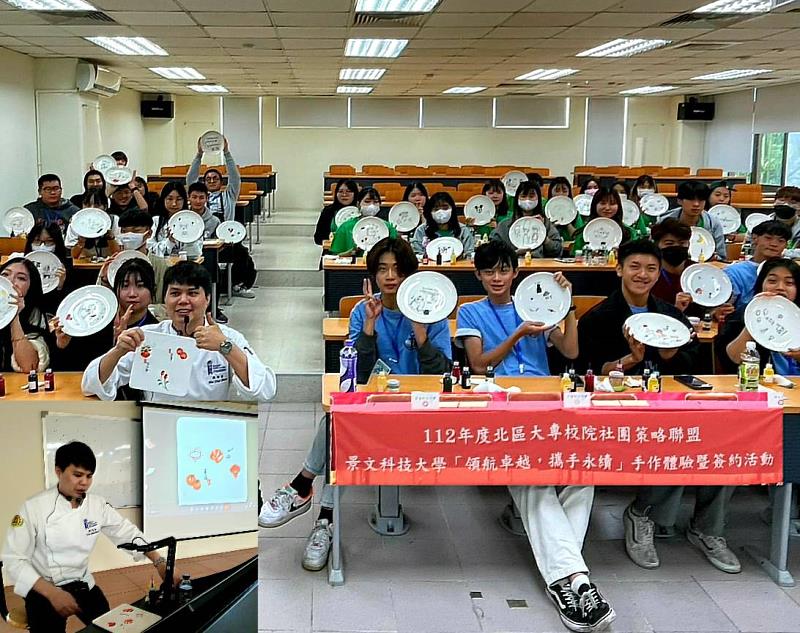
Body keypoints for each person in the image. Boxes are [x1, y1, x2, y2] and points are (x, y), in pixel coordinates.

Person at [258, 238, 452, 571]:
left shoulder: (431, 313)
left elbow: (443, 375)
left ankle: (304, 489)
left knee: (337, 426)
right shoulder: (364, 310)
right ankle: (323, 520)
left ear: (411, 273)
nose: (390, 276)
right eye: (382, 269)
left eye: (398, 269)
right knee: (336, 423)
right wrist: (370, 329)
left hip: (421, 411)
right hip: (376, 406)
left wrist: (420, 334)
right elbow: (356, 374)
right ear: (373, 274)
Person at [455, 240, 615, 633]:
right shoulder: (471, 311)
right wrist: (518, 334)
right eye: (489, 271)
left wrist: (568, 306)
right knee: (532, 478)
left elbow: (572, 351)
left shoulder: (536, 304)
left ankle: (570, 580)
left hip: (547, 403)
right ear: (478, 274)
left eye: (504, 270)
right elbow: (479, 363)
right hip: (498, 408)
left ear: (516, 273)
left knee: (582, 473)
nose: (497, 278)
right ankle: (576, 581)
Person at [1, 441, 178, 633]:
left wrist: (159, 562)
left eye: (89, 476)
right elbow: (14, 560)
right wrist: (52, 593)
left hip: (82, 582)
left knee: (109, 628)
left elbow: (127, 532)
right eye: (77, 475)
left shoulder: (97, 505)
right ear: (59, 472)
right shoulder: (34, 507)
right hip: (43, 587)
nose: (84, 482)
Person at [82, 261, 276, 402]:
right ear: (165, 299)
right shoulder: (148, 336)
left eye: (192, 293)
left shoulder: (227, 337)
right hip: (158, 428)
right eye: (175, 293)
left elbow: (265, 389)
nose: (183, 300)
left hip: (209, 428)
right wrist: (118, 351)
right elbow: (90, 385)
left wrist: (225, 347)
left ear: (207, 299)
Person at [577, 239, 699, 377]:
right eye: (635, 267)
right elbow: (591, 372)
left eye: (651, 269)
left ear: (658, 274)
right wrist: (632, 359)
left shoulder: (672, 316)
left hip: (663, 393)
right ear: (619, 270)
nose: (642, 275)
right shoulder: (595, 319)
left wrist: (670, 356)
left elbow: (695, 363)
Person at [51, 258, 159, 374]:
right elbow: (67, 369)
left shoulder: (156, 331)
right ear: (116, 290)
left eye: (140, 286)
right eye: (125, 286)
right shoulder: (96, 321)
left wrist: (120, 349)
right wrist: (63, 345)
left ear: (153, 290)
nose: (132, 293)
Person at [720, 258, 800, 377]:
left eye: (789, 283)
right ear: (761, 284)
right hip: (759, 385)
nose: (780, 287)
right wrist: (753, 323)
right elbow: (734, 359)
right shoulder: (742, 314)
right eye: (772, 281)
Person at [98, 209, 170, 302]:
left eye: (136, 231)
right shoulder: (112, 264)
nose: (129, 235)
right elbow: (102, 300)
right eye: (124, 232)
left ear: (149, 233)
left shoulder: (160, 265)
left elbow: (166, 301)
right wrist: (105, 281)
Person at [724, 220, 790, 311]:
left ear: (786, 245)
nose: (774, 244)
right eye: (768, 238)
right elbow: (726, 309)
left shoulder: (790, 271)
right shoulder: (734, 272)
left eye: (781, 241)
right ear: (755, 238)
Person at [649, 219, 708, 319]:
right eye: (669, 243)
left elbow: (708, 307)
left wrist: (715, 312)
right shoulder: (649, 276)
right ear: (657, 245)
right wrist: (676, 310)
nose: (676, 247)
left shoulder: (698, 272)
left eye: (682, 243)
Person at [0, 258, 49, 373]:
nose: (10, 281)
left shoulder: (35, 315)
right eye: (5, 274)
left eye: (21, 278)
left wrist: (14, 316)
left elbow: (29, 367)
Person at [658, 181, 726, 260]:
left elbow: (722, 256)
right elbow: (653, 252)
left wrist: (715, 258)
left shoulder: (714, 224)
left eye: (701, 200)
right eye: (691, 199)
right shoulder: (664, 222)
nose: (696, 204)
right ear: (679, 201)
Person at [492, 181, 562, 257]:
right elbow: (494, 249)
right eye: (523, 196)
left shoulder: (546, 223)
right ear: (517, 198)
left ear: (538, 199)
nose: (527, 200)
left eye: (531, 196)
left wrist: (543, 236)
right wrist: (515, 253)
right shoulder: (504, 225)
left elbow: (557, 250)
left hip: (538, 266)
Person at [187, 135, 240, 222]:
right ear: (204, 182)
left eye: (215, 178)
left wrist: (226, 153)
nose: (212, 181)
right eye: (208, 179)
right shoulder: (200, 197)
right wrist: (199, 154)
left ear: (221, 182)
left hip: (224, 230)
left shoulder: (229, 196)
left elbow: (235, 178)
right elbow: (191, 178)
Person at [331, 188, 397, 255]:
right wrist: (350, 253)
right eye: (367, 201)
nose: (372, 205)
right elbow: (335, 256)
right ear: (358, 204)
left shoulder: (387, 227)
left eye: (376, 202)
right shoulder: (345, 227)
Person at [23, 222, 70, 315]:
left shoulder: (65, 266)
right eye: (37, 241)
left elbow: (65, 304)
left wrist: (60, 286)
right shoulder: (22, 264)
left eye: (49, 242)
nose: (42, 246)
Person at [411, 191, 475, 259]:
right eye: (436, 208)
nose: (441, 211)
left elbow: (469, 255)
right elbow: (417, 255)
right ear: (430, 211)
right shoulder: (421, 230)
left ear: (452, 209)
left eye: (445, 207)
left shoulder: (463, 230)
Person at [571, 186, 633, 255]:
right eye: (602, 203)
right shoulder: (584, 232)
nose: (607, 208)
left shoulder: (629, 233)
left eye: (612, 204)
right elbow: (575, 257)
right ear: (595, 205)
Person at [66, 189, 120, 260]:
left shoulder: (114, 220)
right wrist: (81, 242)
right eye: (87, 205)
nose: (92, 208)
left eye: (97, 205)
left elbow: (117, 253)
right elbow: (74, 256)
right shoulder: (76, 222)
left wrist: (110, 237)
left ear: (105, 207)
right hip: (85, 266)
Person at [314, 179, 358, 246]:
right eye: (340, 191)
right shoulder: (328, 211)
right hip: (332, 251)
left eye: (348, 191)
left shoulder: (360, 211)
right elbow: (318, 238)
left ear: (355, 193)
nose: (344, 194)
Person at [771, 186, 800, 250]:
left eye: (793, 202)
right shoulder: (760, 222)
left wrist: (783, 252)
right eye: (782, 200)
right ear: (774, 202)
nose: (786, 204)